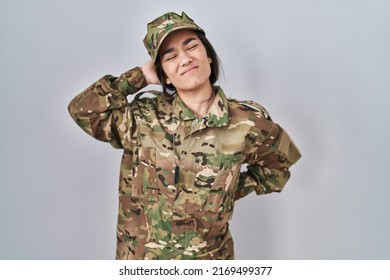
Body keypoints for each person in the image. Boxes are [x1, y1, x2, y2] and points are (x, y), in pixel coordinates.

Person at [68, 11, 301, 260]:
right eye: (170, 56)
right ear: (164, 74)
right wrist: (139, 77)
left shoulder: (248, 123)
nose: (185, 59)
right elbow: (83, 111)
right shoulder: (141, 118)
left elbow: (278, 168)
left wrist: (228, 192)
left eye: (192, 46)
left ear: (209, 56)